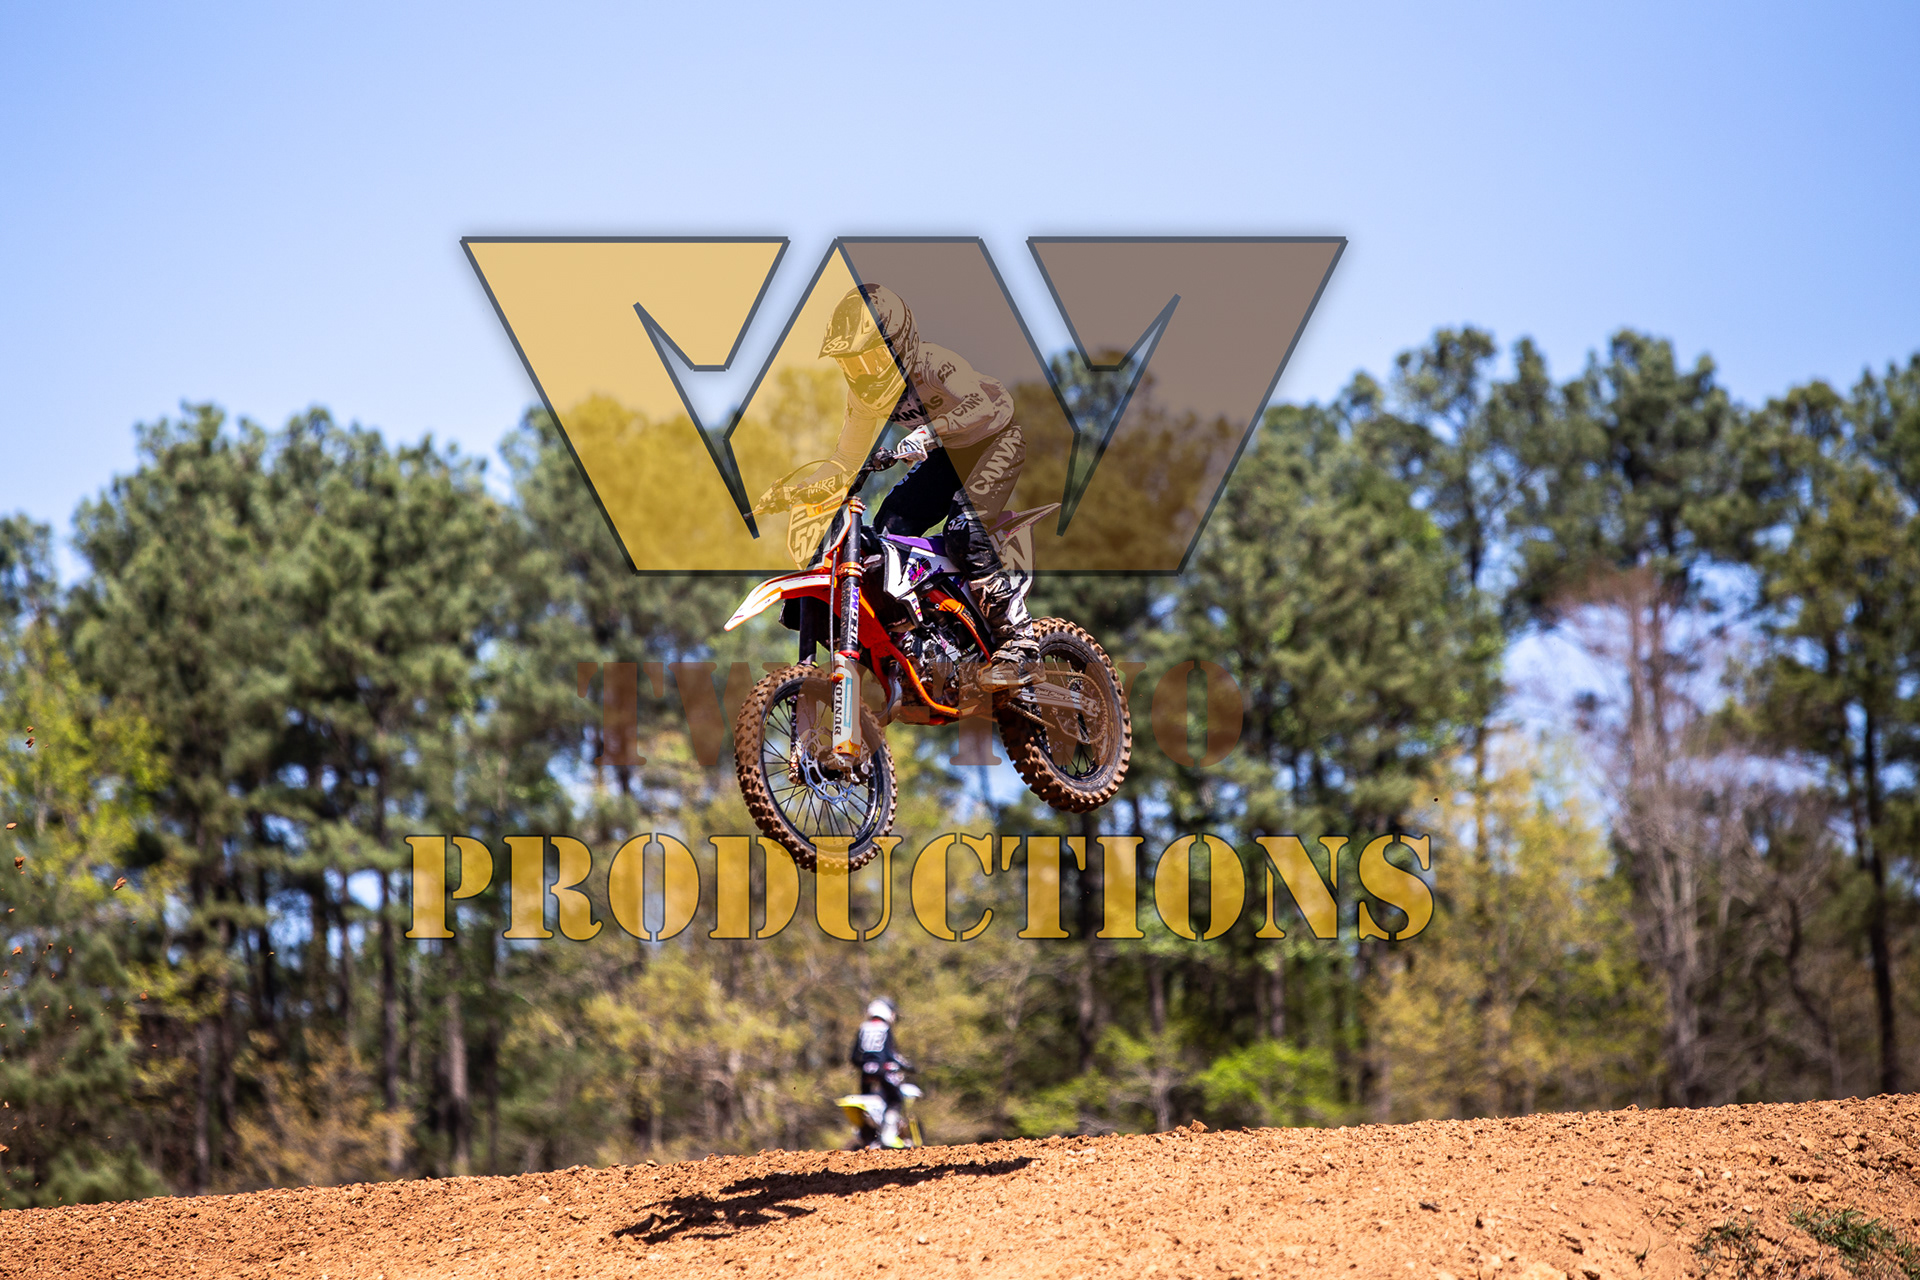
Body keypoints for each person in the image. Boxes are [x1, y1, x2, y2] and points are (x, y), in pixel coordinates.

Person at [813, 283, 1040, 690]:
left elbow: (981, 406)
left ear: (899, 345)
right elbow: (846, 459)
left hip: (995, 440)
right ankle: (921, 634)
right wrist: (800, 489)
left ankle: (1019, 642)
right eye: (852, 362)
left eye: (870, 357)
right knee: (885, 533)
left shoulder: (934, 363)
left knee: (964, 531)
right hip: (946, 454)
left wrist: (929, 433)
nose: (863, 371)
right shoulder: (863, 398)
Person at [849, 996, 912, 1147]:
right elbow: (891, 1054)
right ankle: (888, 1134)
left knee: (866, 1098)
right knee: (895, 1099)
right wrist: (907, 1066)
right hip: (882, 1071)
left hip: (865, 1073)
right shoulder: (884, 1028)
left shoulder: (863, 1028)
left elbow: (854, 1056)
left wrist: (865, 1065)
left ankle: (866, 1134)